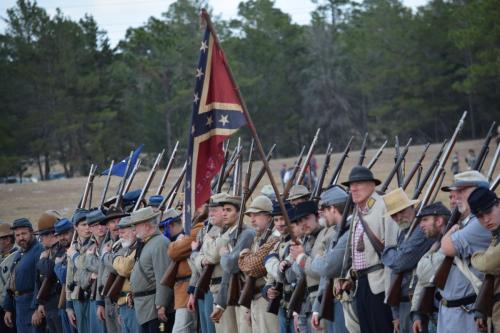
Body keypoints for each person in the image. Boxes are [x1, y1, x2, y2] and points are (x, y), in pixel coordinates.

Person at [339, 166, 399, 333]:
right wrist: (349, 277)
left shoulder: (383, 207)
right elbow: (357, 253)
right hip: (361, 284)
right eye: (351, 185)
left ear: (372, 185)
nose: (353, 188)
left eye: (358, 183)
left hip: (380, 284)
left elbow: (391, 253)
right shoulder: (358, 212)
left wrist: (390, 292)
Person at [439, 171, 491, 333]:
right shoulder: (467, 222)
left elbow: (446, 247)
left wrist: (449, 232)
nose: (456, 196)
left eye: (462, 191)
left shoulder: (479, 223)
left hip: (468, 310)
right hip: (452, 310)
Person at [381, 188, 434, 333]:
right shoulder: (403, 233)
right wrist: (395, 314)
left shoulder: (421, 231)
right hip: (404, 304)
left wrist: (387, 251)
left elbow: (399, 263)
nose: (398, 217)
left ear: (412, 207)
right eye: (394, 215)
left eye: (402, 211)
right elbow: (394, 273)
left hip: (419, 304)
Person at [310, 185, 352, 333]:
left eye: (325, 211)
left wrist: (316, 260)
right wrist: (317, 308)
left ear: (333, 209)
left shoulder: (349, 231)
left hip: (346, 300)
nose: (323, 216)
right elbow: (326, 276)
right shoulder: (338, 232)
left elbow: (328, 267)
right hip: (333, 299)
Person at [210, 195, 254, 333]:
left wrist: (224, 255)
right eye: (223, 210)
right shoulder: (231, 235)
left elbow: (230, 265)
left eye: (228, 210)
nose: (224, 213)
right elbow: (228, 275)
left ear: (239, 213)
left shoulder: (246, 234)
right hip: (238, 294)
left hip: (247, 295)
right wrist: (220, 305)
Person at [238, 195, 280, 333]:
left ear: (269, 217)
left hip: (266, 298)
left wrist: (244, 256)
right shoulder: (258, 238)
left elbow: (253, 267)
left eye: (256, 215)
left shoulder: (274, 237)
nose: (252, 219)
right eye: (251, 215)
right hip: (255, 297)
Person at [129, 206, 173, 333]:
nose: (134, 229)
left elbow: (163, 277)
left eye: (137, 225)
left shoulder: (159, 243)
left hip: (154, 308)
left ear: (147, 226)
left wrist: (161, 304)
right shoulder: (148, 243)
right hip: (146, 307)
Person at [187, 193, 226, 333]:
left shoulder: (220, 230)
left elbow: (212, 257)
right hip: (203, 286)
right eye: (210, 210)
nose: (211, 213)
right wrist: (192, 291)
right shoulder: (204, 229)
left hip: (216, 286)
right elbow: (197, 265)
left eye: (215, 210)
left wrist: (196, 255)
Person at [409, 202, 450, 333]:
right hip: (437, 315)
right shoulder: (437, 242)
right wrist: (416, 313)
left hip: (449, 314)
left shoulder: (449, 243)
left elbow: (423, 273)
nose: (421, 225)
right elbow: (422, 282)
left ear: (439, 221)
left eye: (425, 220)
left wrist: (429, 254)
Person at [167, 207, 204, 333]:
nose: (183, 212)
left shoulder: (197, 228)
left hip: (188, 288)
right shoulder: (189, 230)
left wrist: (178, 242)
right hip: (183, 290)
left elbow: (173, 251)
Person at [289, 200, 325, 332]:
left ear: (317, 216)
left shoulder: (324, 236)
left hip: (321, 302)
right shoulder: (307, 240)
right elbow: (298, 274)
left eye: (307, 218)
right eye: (299, 221)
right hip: (307, 303)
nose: (303, 224)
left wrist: (301, 257)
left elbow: (320, 271)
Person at [3, 218, 44, 332]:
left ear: (31, 232)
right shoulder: (19, 254)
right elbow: (11, 282)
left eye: (24, 234)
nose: (21, 238)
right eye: (18, 235)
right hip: (19, 307)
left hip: (32, 306)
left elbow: (40, 282)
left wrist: (37, 308)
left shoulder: (39, 250)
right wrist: (8, 308)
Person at [468, 187, 500, 331]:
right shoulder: (496, 235)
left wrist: (474, 257)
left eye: (489, 212)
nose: (486, 220)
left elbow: (488, 263)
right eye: (480, 216)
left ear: (498, 205)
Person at [98, 206, 128, 333]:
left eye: (119, 221)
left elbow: (118, 267)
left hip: (121, 299)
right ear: (108, 225)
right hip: (108, 298)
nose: (116, 225)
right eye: (112, 222)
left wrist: (105, 255)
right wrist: (99, 303)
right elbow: (101, 273)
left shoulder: (126, 243)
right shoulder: (106, 245)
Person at [33, 210, 64, 333]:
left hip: (58, 302)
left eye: (42, 236)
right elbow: (39, 281)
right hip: (49, 305)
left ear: (51, 235)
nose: (41, 239)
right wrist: (41, 303)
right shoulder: (47, 252)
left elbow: (49, 271)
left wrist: (42, 260)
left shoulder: (60, 250)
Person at [112, 216, 141, 333]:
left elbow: (125, 267)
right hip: (124, 304)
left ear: (134, 231)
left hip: (133, 305)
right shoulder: (128, 249)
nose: (120, 236)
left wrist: (115, 258)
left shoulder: (138, 247)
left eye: (123, 232)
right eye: (119, 233)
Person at [53, 218, 77, 333]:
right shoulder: (61, 251)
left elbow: (64, 277)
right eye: (59, 235)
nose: (62, 237)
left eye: (65, 233)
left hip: (75, 301)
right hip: (64, 302)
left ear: (73, 231)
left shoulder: (75, 249)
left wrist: (57, 265)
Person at [0, 221, 17, 333]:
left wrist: (7, 308)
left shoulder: (15, 257)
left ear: (7, 240)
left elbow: (10, 286)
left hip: (9, 308)